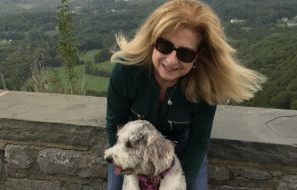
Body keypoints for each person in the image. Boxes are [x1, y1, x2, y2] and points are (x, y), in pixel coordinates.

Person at [105, 0, 266, 189]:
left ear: (198, 55)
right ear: (152, 40)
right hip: (131, 142)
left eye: (185, 53)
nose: (171, 60)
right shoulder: (126, 70)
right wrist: (130, 164)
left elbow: (197, 145)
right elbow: (115, 124)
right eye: (164, 45)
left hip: (180, 140)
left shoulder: (205, 87)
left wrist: (177, 183)